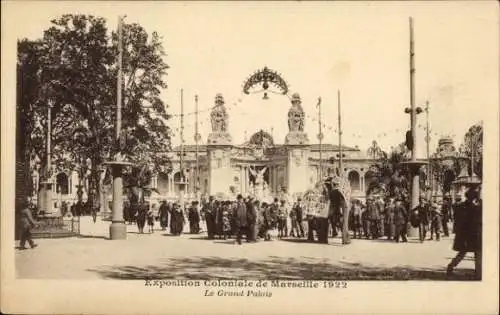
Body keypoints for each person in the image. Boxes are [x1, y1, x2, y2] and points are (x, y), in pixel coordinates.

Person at [447, 187, 482, 279]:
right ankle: (478, 274)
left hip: (464, 234)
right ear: (474, 197)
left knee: (463, 252)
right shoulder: (475, 208)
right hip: (474, 233)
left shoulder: (461, 206)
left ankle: (450, 267)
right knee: (478, 253)